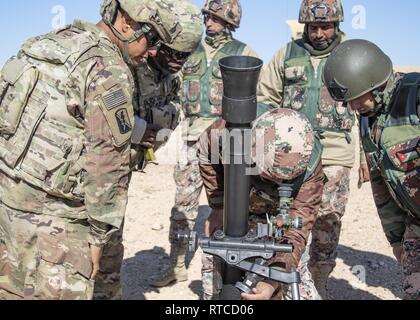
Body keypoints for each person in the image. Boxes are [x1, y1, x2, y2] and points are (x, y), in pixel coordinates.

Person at [0, 0, 181, 300]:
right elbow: (106, 163)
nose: (152, 52)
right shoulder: (108, 70)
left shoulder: (48, 42)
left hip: (8, 201)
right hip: (57, 220)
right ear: (126, 23)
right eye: (153, 40)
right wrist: (100, 237)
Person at [93, 0, 203, 300]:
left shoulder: (170, 76)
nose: (178, 61)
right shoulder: (125, 62)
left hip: (122, 171)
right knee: (98, 244)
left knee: (110, 241)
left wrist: (163, 120)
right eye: (173, 53)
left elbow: (177, 106)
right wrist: (141, 128)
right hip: (98, 171)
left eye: (186, 56)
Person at [257, 0, 363, 298]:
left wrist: (369, 157)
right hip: (294, 156)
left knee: (328, 221)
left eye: (325, 26)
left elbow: (368, 105)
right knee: (290, 217)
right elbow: (265, 98)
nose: (318, 34)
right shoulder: (286, 55)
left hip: (335, 155)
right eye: (313, 27)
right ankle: (284, 277)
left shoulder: (350, 54)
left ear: (337, 25)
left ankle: (319, 281)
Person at [151, 0, 258, 288]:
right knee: (182, 207)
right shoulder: (190, 50)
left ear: (230, 22)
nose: (208, 23)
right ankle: (175, 266)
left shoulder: (243, 52)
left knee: (226, 208)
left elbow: (254, 98)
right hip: (190, 140)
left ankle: (220, 275)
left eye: (215, 19)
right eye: (207, 18)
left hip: (225, 142)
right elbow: (172, 88)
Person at [323, 39, 420, 300]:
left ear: (374, 83)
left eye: (355, 100)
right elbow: (382, 188)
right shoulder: (368, 121)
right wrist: (397, 241)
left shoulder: (415, 95)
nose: (351, 108)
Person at [198, 108, 325, 300]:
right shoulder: (229, 132)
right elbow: (206, 153)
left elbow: (296, 232)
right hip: (233, 214)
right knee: (217, 286)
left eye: (285, 181)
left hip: (278, 222)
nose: (278, 185)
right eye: (270, 177)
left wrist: (273, 281)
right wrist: (218, 205)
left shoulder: (310, 166)